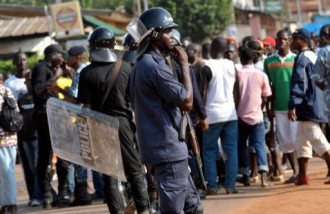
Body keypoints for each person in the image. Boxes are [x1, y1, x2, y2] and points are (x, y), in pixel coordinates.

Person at [129, 7, 203, 214]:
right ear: (154, 35)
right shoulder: (154, 66)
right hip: (167, 150)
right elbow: (187, 102)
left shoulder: (141, 64)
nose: (172, 37)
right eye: (168, 32)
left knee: (194, 208)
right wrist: (185, 65)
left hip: (163, 149)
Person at [77, 27, 149, 214]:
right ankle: (144, 210)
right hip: (124, 125)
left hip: (100, 126)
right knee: (134, 171)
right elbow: (135, 101)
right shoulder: (125, 68)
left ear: (93, 46)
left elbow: (84, 108)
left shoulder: (86, 73)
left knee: (110, 175)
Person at [31, 44, 71, 208]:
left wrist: (67, 74)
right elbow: (39, 89)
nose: (63, 59)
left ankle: (62, 193)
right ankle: (47, 194)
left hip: (58, 116)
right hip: (45, 117)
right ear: (54, 55)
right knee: (45, 157)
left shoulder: (58, 69)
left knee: (62, 156)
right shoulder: (41, 68)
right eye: (62, 55)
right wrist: (56, 76)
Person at [288, 28, 330, 186]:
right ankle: (303, 176)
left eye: (295, 38)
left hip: (307, 104)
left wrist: (293, 104)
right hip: (314, 102)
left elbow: (300, 82)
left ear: (302, 40)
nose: (293, 41)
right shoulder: (313, 55)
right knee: (301, 140)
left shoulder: (303, 58)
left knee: (316, 138)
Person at [201, 36, 238, 194]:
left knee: (209, 150)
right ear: (225, 49)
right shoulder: (232, 65)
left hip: (212, 114)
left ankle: (213, 186)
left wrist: (201, 115)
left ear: (212, 48)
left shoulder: (207, 66)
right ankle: (230, 185)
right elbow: (237, 90)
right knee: (231, 150)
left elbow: (203, 92)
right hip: (230, 113)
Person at [4, 52, 40, 206]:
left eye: (24, 59)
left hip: (38, 130)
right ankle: (34, 195)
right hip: (21, 132)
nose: (21, 62)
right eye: (18, 60)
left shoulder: (35, 80)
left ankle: (44, 194)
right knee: (28, 166)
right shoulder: (9, 83)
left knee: (40, 165)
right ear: (14, 62)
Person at [264, 29, 298, 183]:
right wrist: (269, 107)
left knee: (297, 139)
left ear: (289, 41)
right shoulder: (269, 61)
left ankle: (299, 172)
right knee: (285, 141)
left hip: (295, 107)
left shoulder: (296, 59)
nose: (282, 42)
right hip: (278, 107)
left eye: (285, 39)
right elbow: (268, 88)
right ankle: (296, 172)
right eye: (280, 39)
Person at [236, 47, 272, 187]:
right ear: (253, 58)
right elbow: (266, 96)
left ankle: (246, 175)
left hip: (240, 116)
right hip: (257, 116)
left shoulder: (237, 74)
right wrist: (261, 108)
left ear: (241, 58)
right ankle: (263, 176)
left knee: (241, 146)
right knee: (259, 145)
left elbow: (235, 96)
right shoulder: (261, 75)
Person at [17, 71, 42, 207]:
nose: (30, 83)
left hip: (39, 138)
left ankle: (38, 196)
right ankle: (38, 195)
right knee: (31, 170)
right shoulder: (21, 100)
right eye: (27, 80)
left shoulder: (41, 97)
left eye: (32, 80)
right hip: (26, 140)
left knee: (39, 168)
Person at [312, 24, 330, 182]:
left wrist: (326, 87)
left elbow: (317, 78)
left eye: (324, 35)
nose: (322, 38)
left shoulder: (324, 52)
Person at [0, 75, 19, 214]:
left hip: (2, 139)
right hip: (10, 137)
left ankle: (8, 204)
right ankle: (10, 204)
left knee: (6, 173)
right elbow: (16, 111)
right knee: (8, 172)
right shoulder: (7, 91)